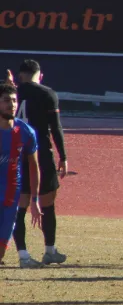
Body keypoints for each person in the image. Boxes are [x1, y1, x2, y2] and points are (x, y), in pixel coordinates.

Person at [6, 61, 67, 267]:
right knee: (48, 203)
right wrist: (63, 156)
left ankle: (23, 254)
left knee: (19, 206)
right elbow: (56, 128)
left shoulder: (10, 94)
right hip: (41, 154)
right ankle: (49, 250)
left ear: (20, 75)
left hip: (15, 153)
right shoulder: (47, 94)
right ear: (39, 75)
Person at [0, 81, 42, 265]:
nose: (12, 104)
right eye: (6, 100)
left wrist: (35, 200)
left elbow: (34, 166)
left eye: (14, 100)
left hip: (11, 197)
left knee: (1, 251)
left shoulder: (26, 131)